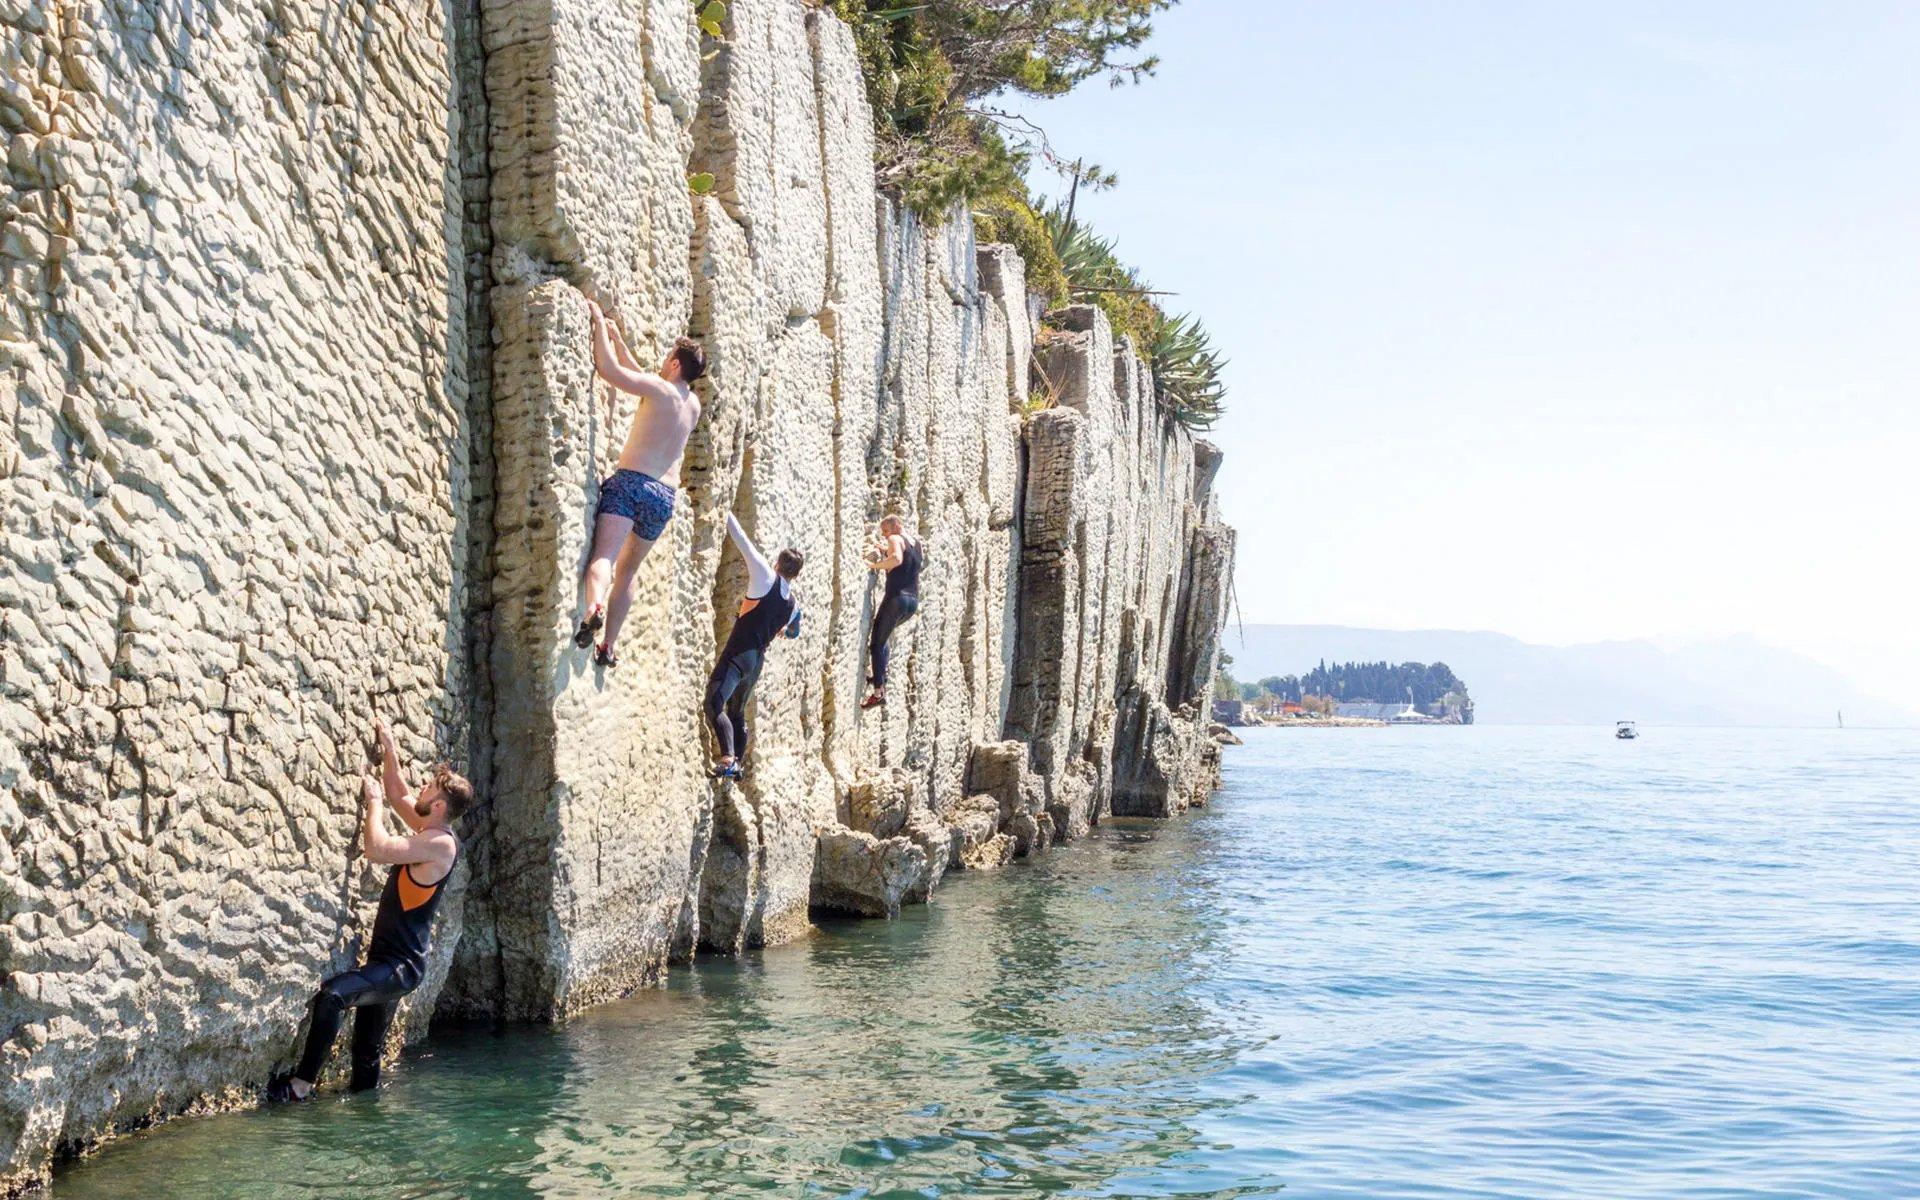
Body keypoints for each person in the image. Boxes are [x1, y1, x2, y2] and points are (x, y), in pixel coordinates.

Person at [270, 719, 471, 1101]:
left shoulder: (440, 845)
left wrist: (373, 804)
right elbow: (400, 795)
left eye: (429, 788)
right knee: (366, 1054)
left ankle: (300, 1086)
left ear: (440, 804)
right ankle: (366, 1120)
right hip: (389, 962)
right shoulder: (430, 828)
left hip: (400, 967)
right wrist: (390, 749)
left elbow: (376, 849)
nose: (421, 789)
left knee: (333, 996)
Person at [573, 299, 707, 668]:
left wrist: (600, 324)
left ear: (676, 363)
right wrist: (620, 339)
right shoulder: (691, 405)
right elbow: (645, 382)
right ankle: (609, 647)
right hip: (663, 497)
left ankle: (593, 607)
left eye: (668, 358)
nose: (663, 362)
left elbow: (610, 371)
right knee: (629, 571)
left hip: (631, 483)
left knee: (604, 557)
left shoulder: (659, 389)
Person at [704, 513, 803, 780]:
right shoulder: (793, 605)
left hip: (738, 655)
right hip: (756, 661)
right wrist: (783, 630)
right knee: (736, 712)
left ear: (777, 563)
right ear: (796, 574)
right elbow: (795, 631)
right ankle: (737, 763)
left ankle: (727, 759)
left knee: (714, 704)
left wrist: (723, 509)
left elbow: (742, 539)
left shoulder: (765, 576)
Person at [861, 514, 922, 709]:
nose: (885, 536)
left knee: (876, 643)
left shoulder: (895, 539)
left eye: (886, 531)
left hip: (896, 598)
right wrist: (883, 550)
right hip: (912, 602)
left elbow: (896, 558)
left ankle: (878, 692)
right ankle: (880, 676)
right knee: (884, 638)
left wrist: (875, 565)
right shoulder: (916, 543)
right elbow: (903, 558)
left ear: (895, 526)